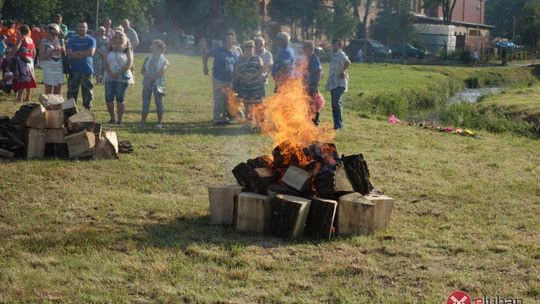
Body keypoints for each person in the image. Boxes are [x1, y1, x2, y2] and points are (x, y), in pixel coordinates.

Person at [203, 31, 239, 125]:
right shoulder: (218, 50)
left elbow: (236, 66)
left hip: (230, 80)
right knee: (218, 99)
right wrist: (205, 67)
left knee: (227, 100)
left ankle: (225, 117)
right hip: (218, 78)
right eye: (227, 41)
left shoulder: (235, 54)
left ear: (233, 43)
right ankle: (217, 119)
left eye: (231, 42)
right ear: (225, 42)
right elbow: (206, 54)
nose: (229, 43)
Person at [103, 30, 133, 126]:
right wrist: (110, 72)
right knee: (108, 98)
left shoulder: (127, 50)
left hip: (122, 77)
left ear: (121, 38)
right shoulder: (110, 49)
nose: (112, 38)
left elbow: (129, 64)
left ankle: (120, 120)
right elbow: (104, 61)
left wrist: (118, 73)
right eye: (113, 37)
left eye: (115, 37)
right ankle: (112, 118)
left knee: (120, 98)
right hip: (109, 76)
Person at [140, 39, 170, 129]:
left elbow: (161, 72)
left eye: (154, 46)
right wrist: (147, 77)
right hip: (146, 83)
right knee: (145, 103)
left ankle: (159, 122)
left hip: (158, 84)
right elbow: (142, 70)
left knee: (159, 103)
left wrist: (150, 79)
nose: (151, 47)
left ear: (160, 49)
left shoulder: (165, 61)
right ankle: (142, 122)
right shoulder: (148, 58)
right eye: (151, 45)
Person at [67, 22, 96, 110]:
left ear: (87, 28)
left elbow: (91, 53)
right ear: (77, 28)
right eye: (80, 27)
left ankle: (86, 113)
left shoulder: (91, 40)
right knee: (71, 93)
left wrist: (76, 53)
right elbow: (69, 53)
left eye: (84, 27)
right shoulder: (72, 39)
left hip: (87, 70)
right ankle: (71, 113)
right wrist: (84, 53)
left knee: (87, 93)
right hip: (74, 70)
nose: (82, 28)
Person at [233, 40, 264, 122]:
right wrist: (243, 77)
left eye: (251, 47)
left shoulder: (257, 58)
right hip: (245, 86)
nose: (250, 49)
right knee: (247, 104)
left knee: (257, 104)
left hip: (255, 86)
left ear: (254, 48)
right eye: (248, 47)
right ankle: (249, 122)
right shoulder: (240, 59)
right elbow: (235, 70)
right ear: (245, 48)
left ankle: (259, 123)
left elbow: (261, 69)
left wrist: (253, 76)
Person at [325, 39, 350, 130]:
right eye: (333, 45)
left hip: (340, 82)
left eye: (336, 45)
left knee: (336, 103)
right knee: (334, 104)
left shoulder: (341, 54)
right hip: (333, 83)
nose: (334, 47)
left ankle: (339, 125)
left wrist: (343, 71)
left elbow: (347, 62)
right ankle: (336, 125)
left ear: (340, 46)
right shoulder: (334, 55)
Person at [12, 25, 37, 102]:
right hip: (30, 61)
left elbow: (16, 48)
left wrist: (12, 53)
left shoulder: (21, 38)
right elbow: (34, 52)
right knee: (29, 79)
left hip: (22, 61)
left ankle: (19, 98)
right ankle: (27, 97)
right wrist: (32, 61)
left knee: (22, 80)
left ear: (20, 31)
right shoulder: (31, 39)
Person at [39, 24, 65, 94]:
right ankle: (49, 104)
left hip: (59, 67)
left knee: (57, 90)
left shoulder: (60, 42)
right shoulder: (43, 42)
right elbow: (41, 57)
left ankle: (56, 104)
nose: (54, 36)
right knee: (48, 90)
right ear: (48, 33)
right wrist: (52, 51)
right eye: (52, 34)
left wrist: (62, 49)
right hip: (48, 67)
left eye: (56, 34)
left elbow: (65, 55)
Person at [303, 40, 323, 125]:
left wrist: (316, 84)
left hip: (311, 87)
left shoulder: (313, 58)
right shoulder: (307, 58)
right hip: (306, 86)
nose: (303, 49)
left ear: (310, 49)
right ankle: (308, 123)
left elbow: (319, 72)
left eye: (305, 47)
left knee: (313, 106)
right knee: (307, 105)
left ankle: (315, 123)